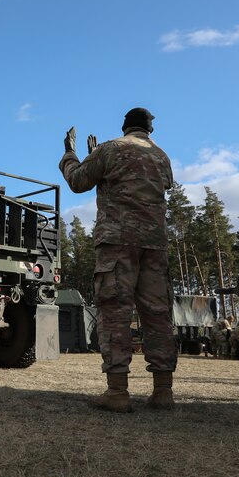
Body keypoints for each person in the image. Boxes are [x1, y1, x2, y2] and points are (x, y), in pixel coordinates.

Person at [59, 107, 177, 412]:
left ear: (125, 126)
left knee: (115, 312)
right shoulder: (162, 157)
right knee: (157, 314)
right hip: (155, 245)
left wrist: (71, 155)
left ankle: (117, 392)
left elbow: (77, 181)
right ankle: (163, 391)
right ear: (150, 130)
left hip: (118, 242)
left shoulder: (111, 149)